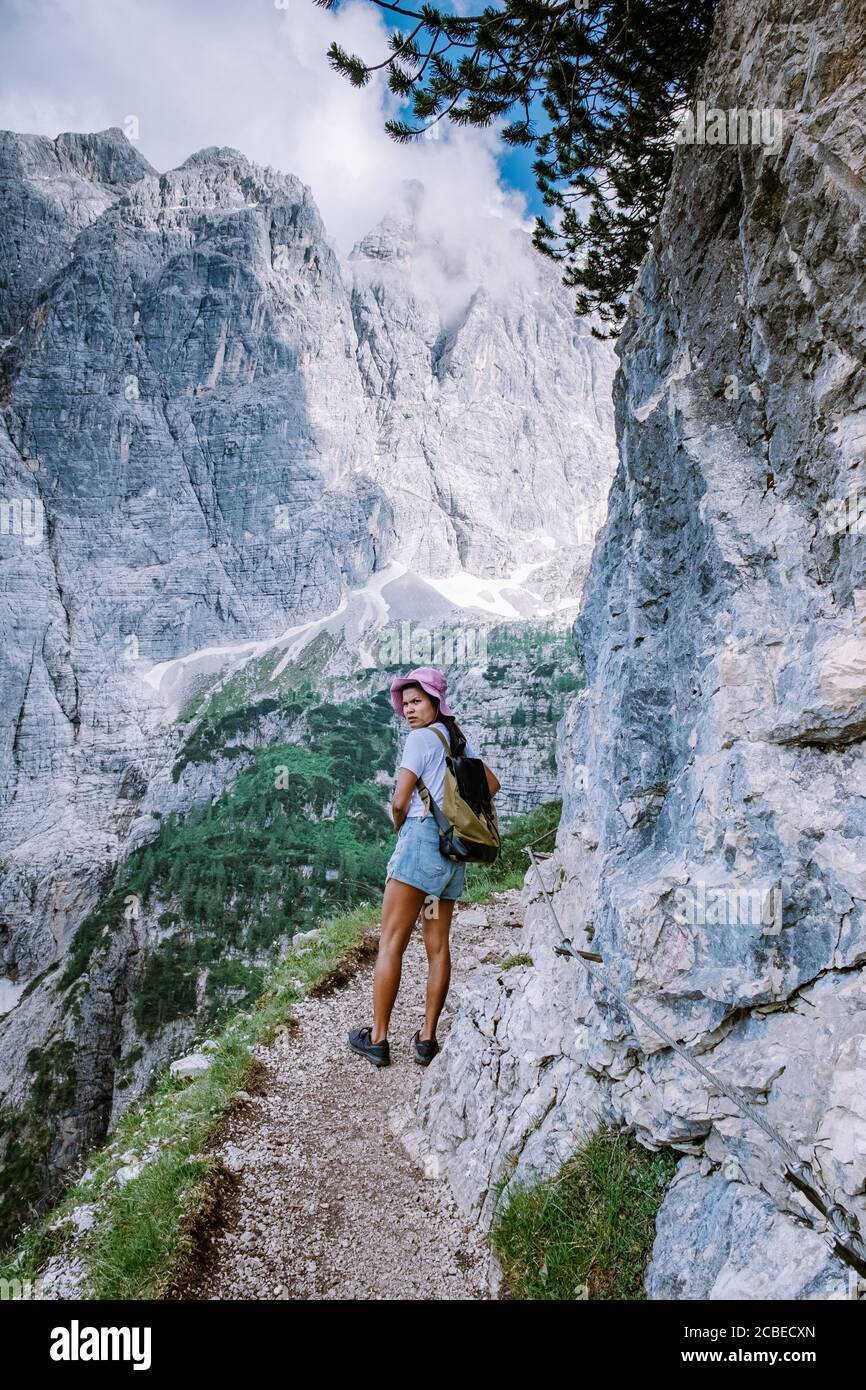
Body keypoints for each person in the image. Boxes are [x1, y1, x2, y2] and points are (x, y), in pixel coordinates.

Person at [348, 666, 501, 1069]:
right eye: (406, 702)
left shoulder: (419, 739)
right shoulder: (457, 739)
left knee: (392, 940)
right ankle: (426, 1039)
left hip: (418, 850)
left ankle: (378, 1039)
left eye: (418, 701)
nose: (409, 709)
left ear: (436, 702)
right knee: (437, 947)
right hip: (450, 858)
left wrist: (401, 826)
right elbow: (492, 785)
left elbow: (400, 800)